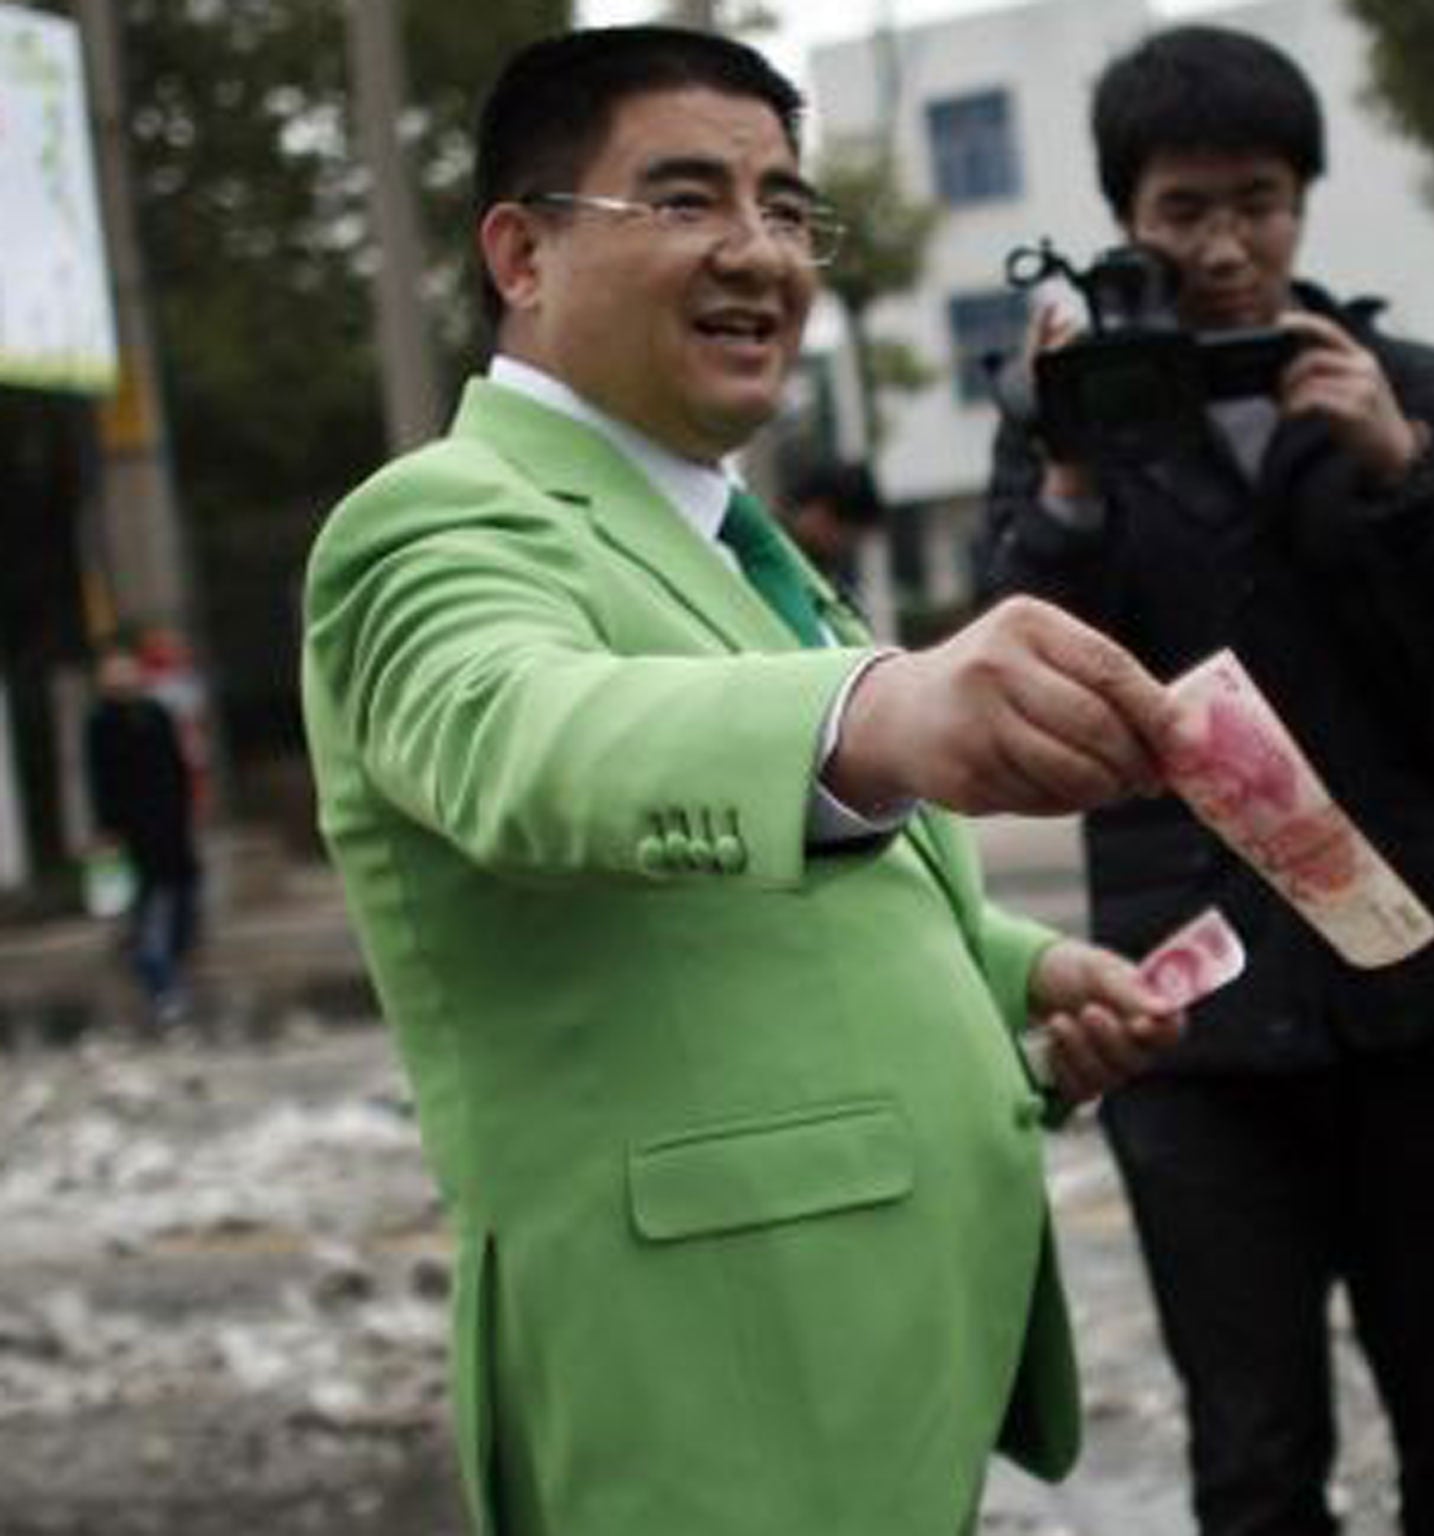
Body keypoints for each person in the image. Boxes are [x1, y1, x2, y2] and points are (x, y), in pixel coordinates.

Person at [299, 26, 1189, 1536]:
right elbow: (528, 740)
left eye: (786, 207)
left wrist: (1020, 976)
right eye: (689, 200)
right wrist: (882, 709)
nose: (760, 253)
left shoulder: (732, 545)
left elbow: (792, 908)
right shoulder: (437, 523)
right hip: (705, 1389)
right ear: (520, 250)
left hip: (872, 1356)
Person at [979, 26, 1434, 1536]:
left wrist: (1408, 467)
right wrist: (1075, 474)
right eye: (1182, 211)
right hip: (1194, 1028)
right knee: (1254, 1455)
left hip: (1414, 994)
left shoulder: (1423, 390)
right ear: (1126, 217)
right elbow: (1022, 689)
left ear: (1304, 198)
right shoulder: (1058, 426)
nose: (1226, 245)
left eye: (1259, 202)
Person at [85, 641, 202, 1023]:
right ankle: (163, 990)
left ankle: (167, 978)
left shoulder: (156, 713)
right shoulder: (100, 723)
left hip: (172, 830)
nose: (122, 677)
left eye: (126, 668)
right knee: (148, 919)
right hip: (132, 836)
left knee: (184, 910)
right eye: (114, 670)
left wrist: (186, 810)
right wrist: (107, 830)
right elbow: (99, 781)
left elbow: (178, 767)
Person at [782, 456, 884, 588]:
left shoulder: (819, 576)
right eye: (846, 535)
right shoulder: (765, 552)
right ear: (821, 511)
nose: (840, 547)